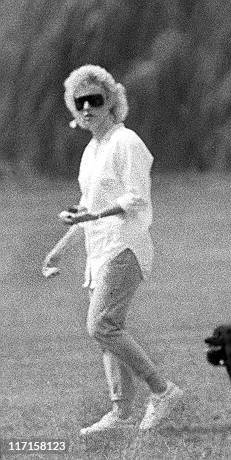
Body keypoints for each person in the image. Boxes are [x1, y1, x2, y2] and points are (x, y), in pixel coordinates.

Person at [43, 65, 184, 434]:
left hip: (125, 245)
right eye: (80, 102)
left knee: (101, 324)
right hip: (99, 250)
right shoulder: (91, 150)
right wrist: (59, 249)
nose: (87, 107)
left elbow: (135, 199)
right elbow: (85, 208)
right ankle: (121, 414)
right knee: (111, 330)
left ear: (111, 102)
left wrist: (94, 213)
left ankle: (163, 391)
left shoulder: (127, 143)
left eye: (95, 99)